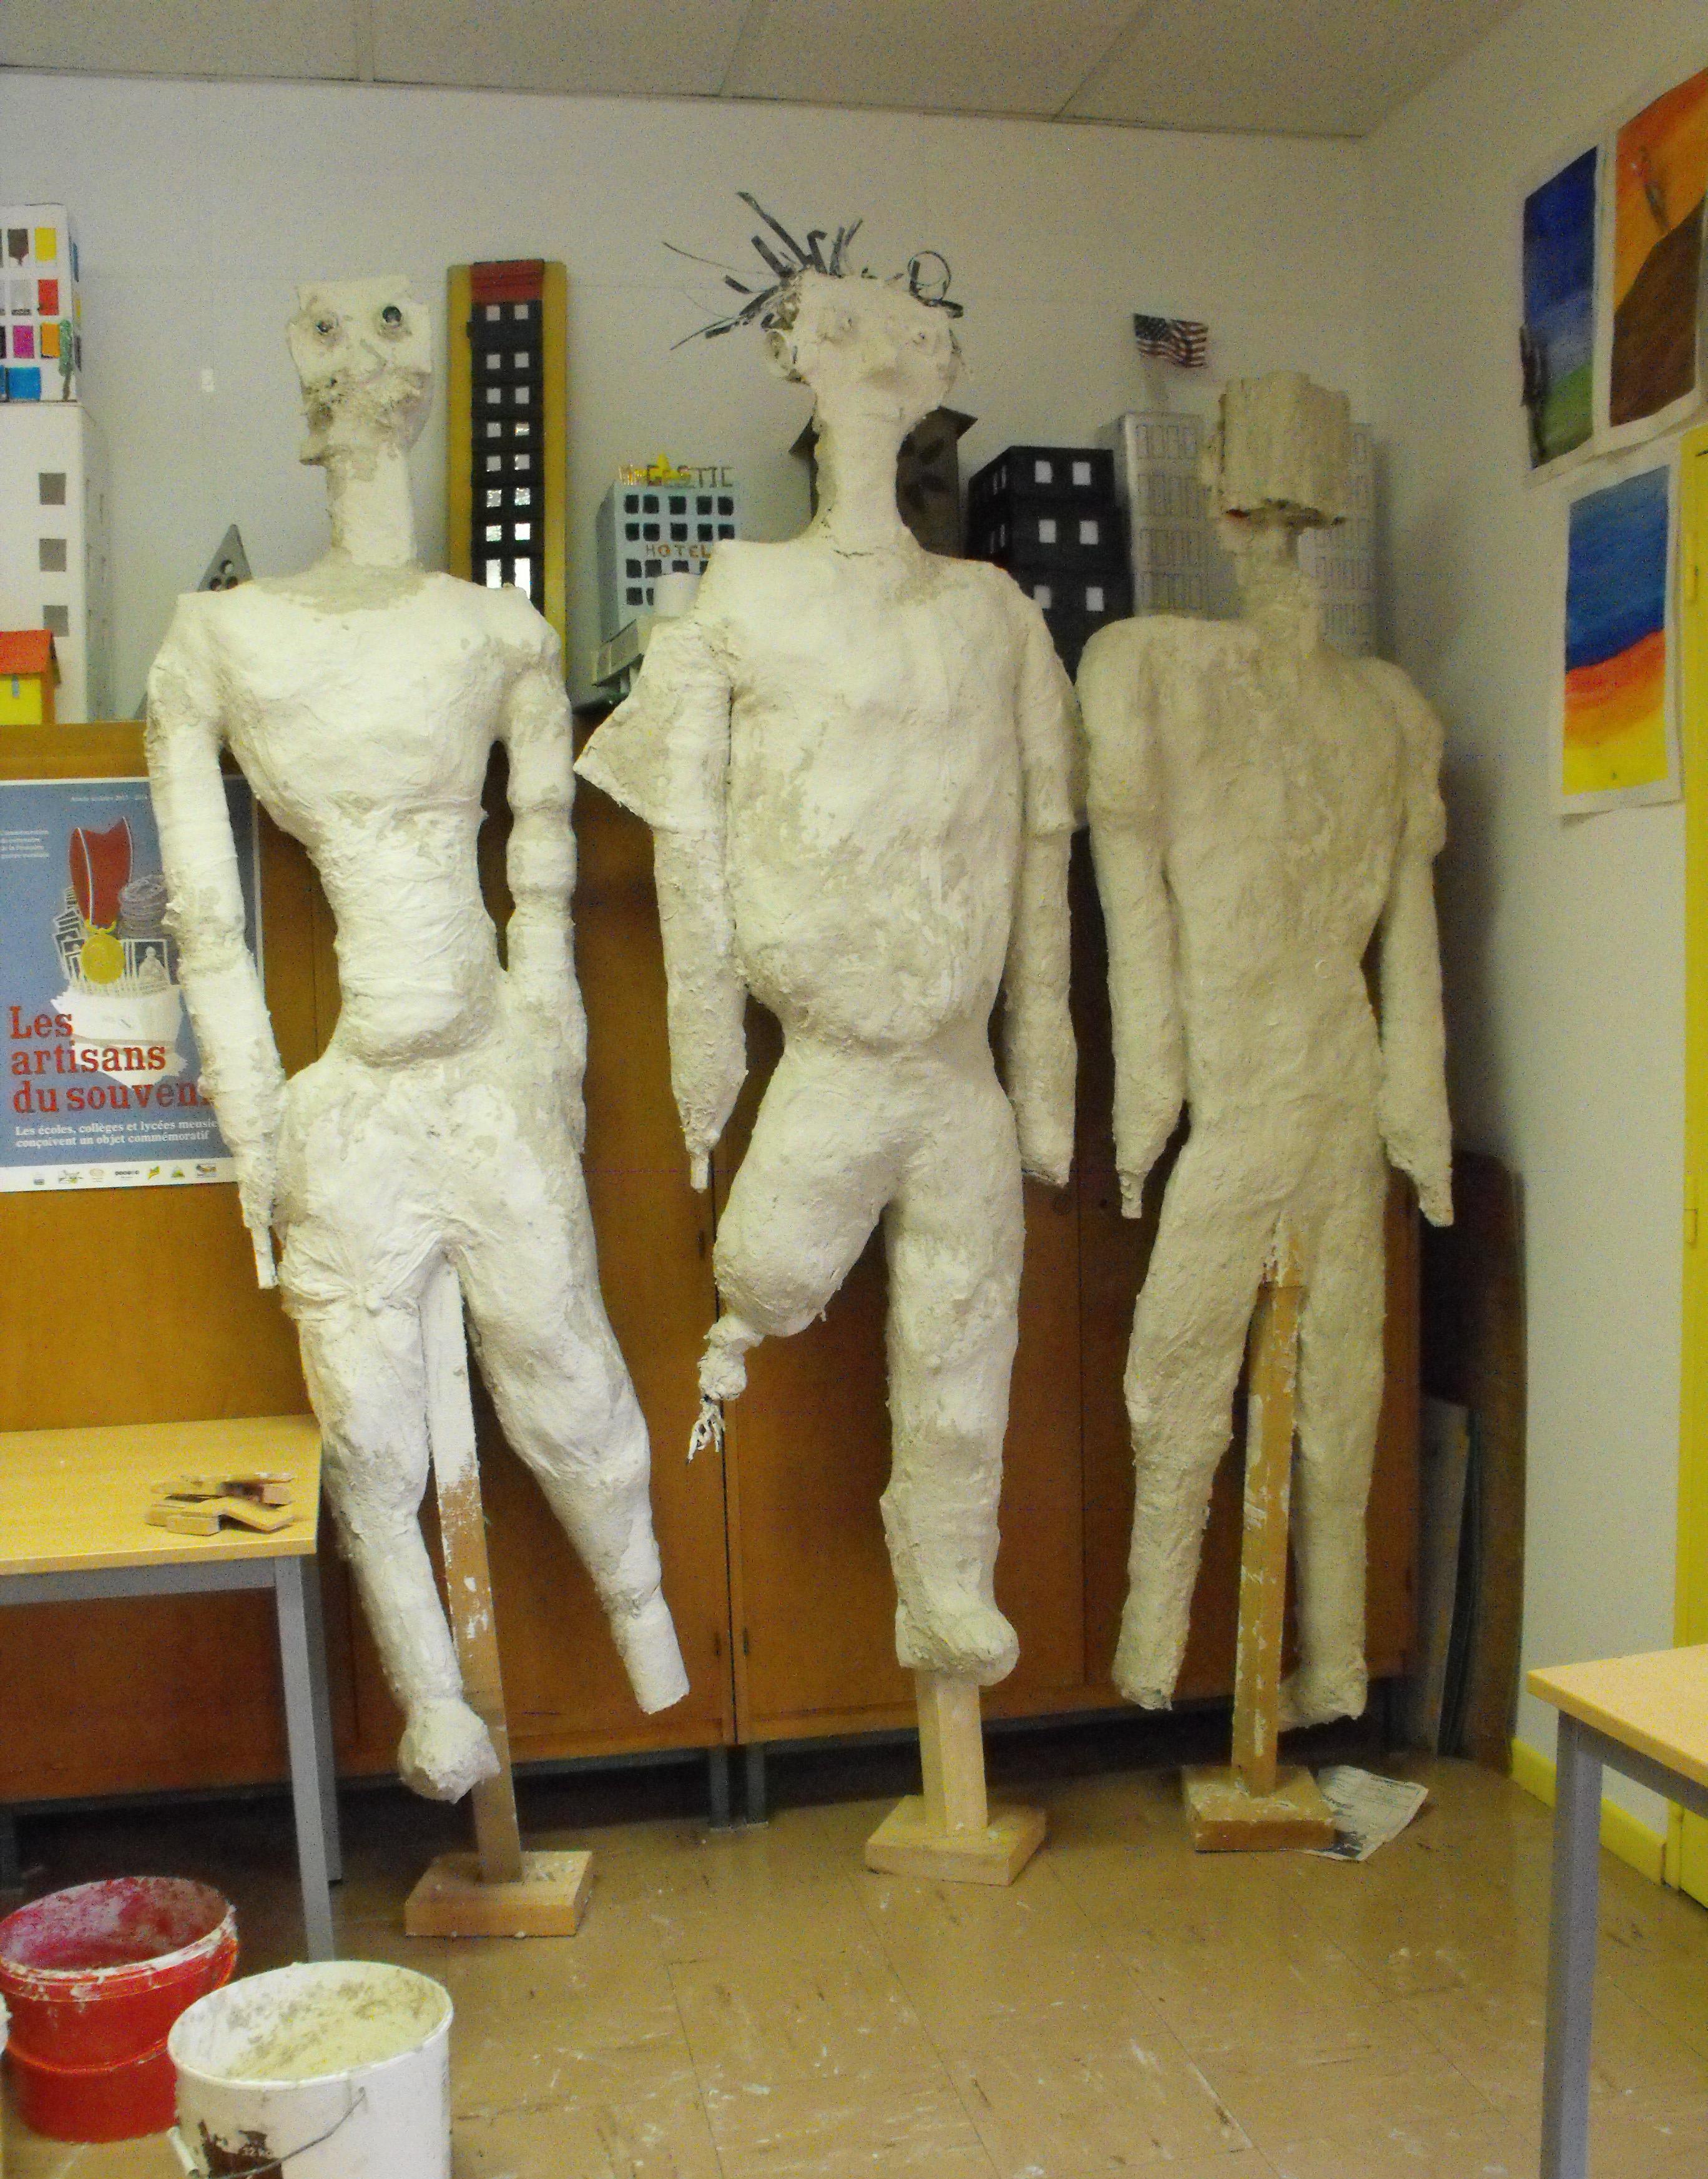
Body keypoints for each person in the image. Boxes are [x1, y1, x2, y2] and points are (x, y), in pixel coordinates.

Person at [146, 277, 687, 1803]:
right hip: (356, 1103)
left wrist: (552, 1067)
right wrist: (261, 1132)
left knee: (567, 1377)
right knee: (372, 1434)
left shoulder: (501, 632)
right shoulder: (218, 639)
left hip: (489, 1074)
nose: (364, 376)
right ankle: (431, 1704)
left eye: (383, 343)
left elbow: (543, 874)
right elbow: (205, 922)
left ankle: (646, 1625)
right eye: (334, 346)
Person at [580, 222, 1079, 1685]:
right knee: (771, 1274)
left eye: (906, 344)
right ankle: (792, 1408)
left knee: (968, 1352)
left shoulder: (993, 614)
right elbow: (687, 846)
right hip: (839, 1056)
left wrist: (1045, 1070)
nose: (877, 371)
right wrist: (706, 1065)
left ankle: (951, 1584)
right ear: (798, 358)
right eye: (846, 339)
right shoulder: (737, 595)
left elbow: (1045, 849)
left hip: (958, 1064)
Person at [1080, 371, 1452, 1728]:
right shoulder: (1155, 671)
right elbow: (1137, 925)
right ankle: (1159, 1643)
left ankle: (1327, 1662)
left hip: (1322, 1093)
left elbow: (1408, 945)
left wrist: (1418, 1116)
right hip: (1262, 1100)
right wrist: (1151, 1108)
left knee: (1327, 1393)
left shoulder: (1379, 707)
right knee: (1185, 1376)